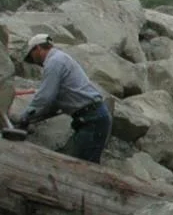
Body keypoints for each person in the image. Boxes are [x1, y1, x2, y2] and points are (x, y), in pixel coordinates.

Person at [15, 34, 112, 163]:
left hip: (92, 118)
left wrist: (25, 116)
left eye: (31, 55)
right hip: (93, 117)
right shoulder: (60, 59)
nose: (33, 61)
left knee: (83, 167)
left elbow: (45, 97)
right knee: (85, 162)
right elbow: (55, 101)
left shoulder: (54, 62)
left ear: (37, 48)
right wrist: (35, 116)